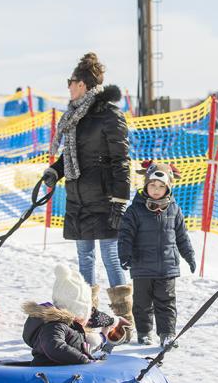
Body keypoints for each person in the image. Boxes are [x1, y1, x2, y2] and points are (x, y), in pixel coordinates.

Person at [41, 53, 135, 341]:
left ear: (81, 85)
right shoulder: (74, 116)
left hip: (104, 197)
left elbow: (122, 160)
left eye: (70, 82)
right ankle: (89, 318)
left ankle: (125, 321)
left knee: (109, 254)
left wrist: (120, 200)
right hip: (79, 198)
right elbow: (72, 157)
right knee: (84, 256)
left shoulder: (109, 115)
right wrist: (55, 172)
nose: (68, 87)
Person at [117, 161, 196, 347]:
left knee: (166, 303)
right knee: (142, 304)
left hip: (167, 268)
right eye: (152, 184)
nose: (156, 189)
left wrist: (189, 256)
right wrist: (125, 255)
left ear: (168, 187)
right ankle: (144, 333)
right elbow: (125, 235)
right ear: (145, 185)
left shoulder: (174, 209)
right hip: (142, 266)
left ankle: (167, 334)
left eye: (161, 186)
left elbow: (182, 236)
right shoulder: (134, 210)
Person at [22, 264, 129, 365]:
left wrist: (104, 335)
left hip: (63, 373)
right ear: (75, 312)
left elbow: (78, 343)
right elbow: (54, 346)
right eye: (85, 313)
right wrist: (83, 360)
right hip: (49, 374)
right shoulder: (55, 326)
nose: (87, 319)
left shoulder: (70, 327)